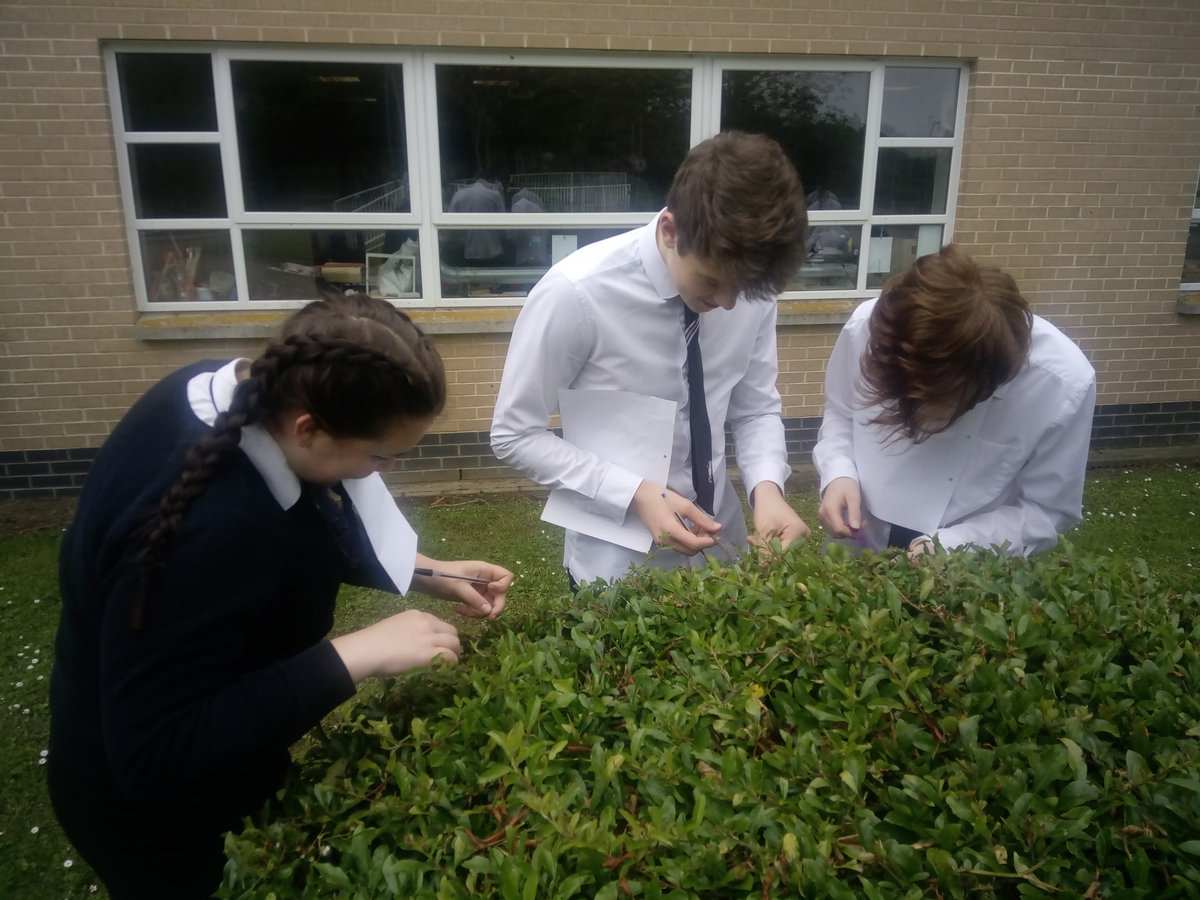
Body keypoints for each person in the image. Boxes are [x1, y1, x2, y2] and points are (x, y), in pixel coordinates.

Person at [48, 293, 513, 899]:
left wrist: (422, 570)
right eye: (379, 455)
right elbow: (155, 755)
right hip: (159, 819)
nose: (384, 471)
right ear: (308, 428)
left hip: (227, 765)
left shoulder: (240, 397)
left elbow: (294, 520)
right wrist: (351, 656)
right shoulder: (204, 531)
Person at [490, 131, 811, 588]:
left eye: (744, 289)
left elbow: (755, 408)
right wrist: (634, 493)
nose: (728, 303)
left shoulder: (750, 286)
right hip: (616, 571)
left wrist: (768, 489)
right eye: (713, 281)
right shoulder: (575, 293)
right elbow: (514, 434)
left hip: (725, 556)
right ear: (669, 231)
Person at [813, 244, 1096, 559]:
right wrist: (838, 473)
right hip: (861, 538)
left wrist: (954, 546)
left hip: (970, 565)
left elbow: (1047, 510)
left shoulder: (1062, 383)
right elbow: (841, 411)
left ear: (987, 382)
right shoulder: (870, 327)